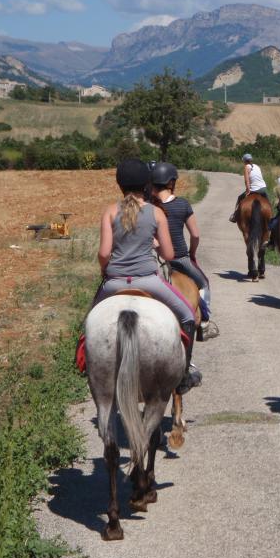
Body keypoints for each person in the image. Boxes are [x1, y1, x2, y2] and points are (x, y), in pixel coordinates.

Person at [92, 158, 201, 394]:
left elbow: (103, 253)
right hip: (149, 281)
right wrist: (156, 244)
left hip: (114, 283)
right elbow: (169, 254)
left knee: (89, 323)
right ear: (146, 185)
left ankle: (85, 366)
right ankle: (183, 376)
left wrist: (105, 270)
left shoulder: (110, 212)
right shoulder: (156, 213)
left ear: (120, 185)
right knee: (188, 316)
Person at [150, 161, 218, 340]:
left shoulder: (149, 206)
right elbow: (195, 235)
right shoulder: (182, 205)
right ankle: (204, 324)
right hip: (179, 258)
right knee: (203, 283)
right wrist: (192, 253)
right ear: (171, 183)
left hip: (156, 259)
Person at [229, 153, 268, 223]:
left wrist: (248, 190)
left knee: (239, 197)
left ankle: (235, 215)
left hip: (254, 189)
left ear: (244, 161)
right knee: (267, 201)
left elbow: (247, 180)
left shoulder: (246, 167)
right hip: (263, 188)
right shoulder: (257, 166)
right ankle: (271, 215)